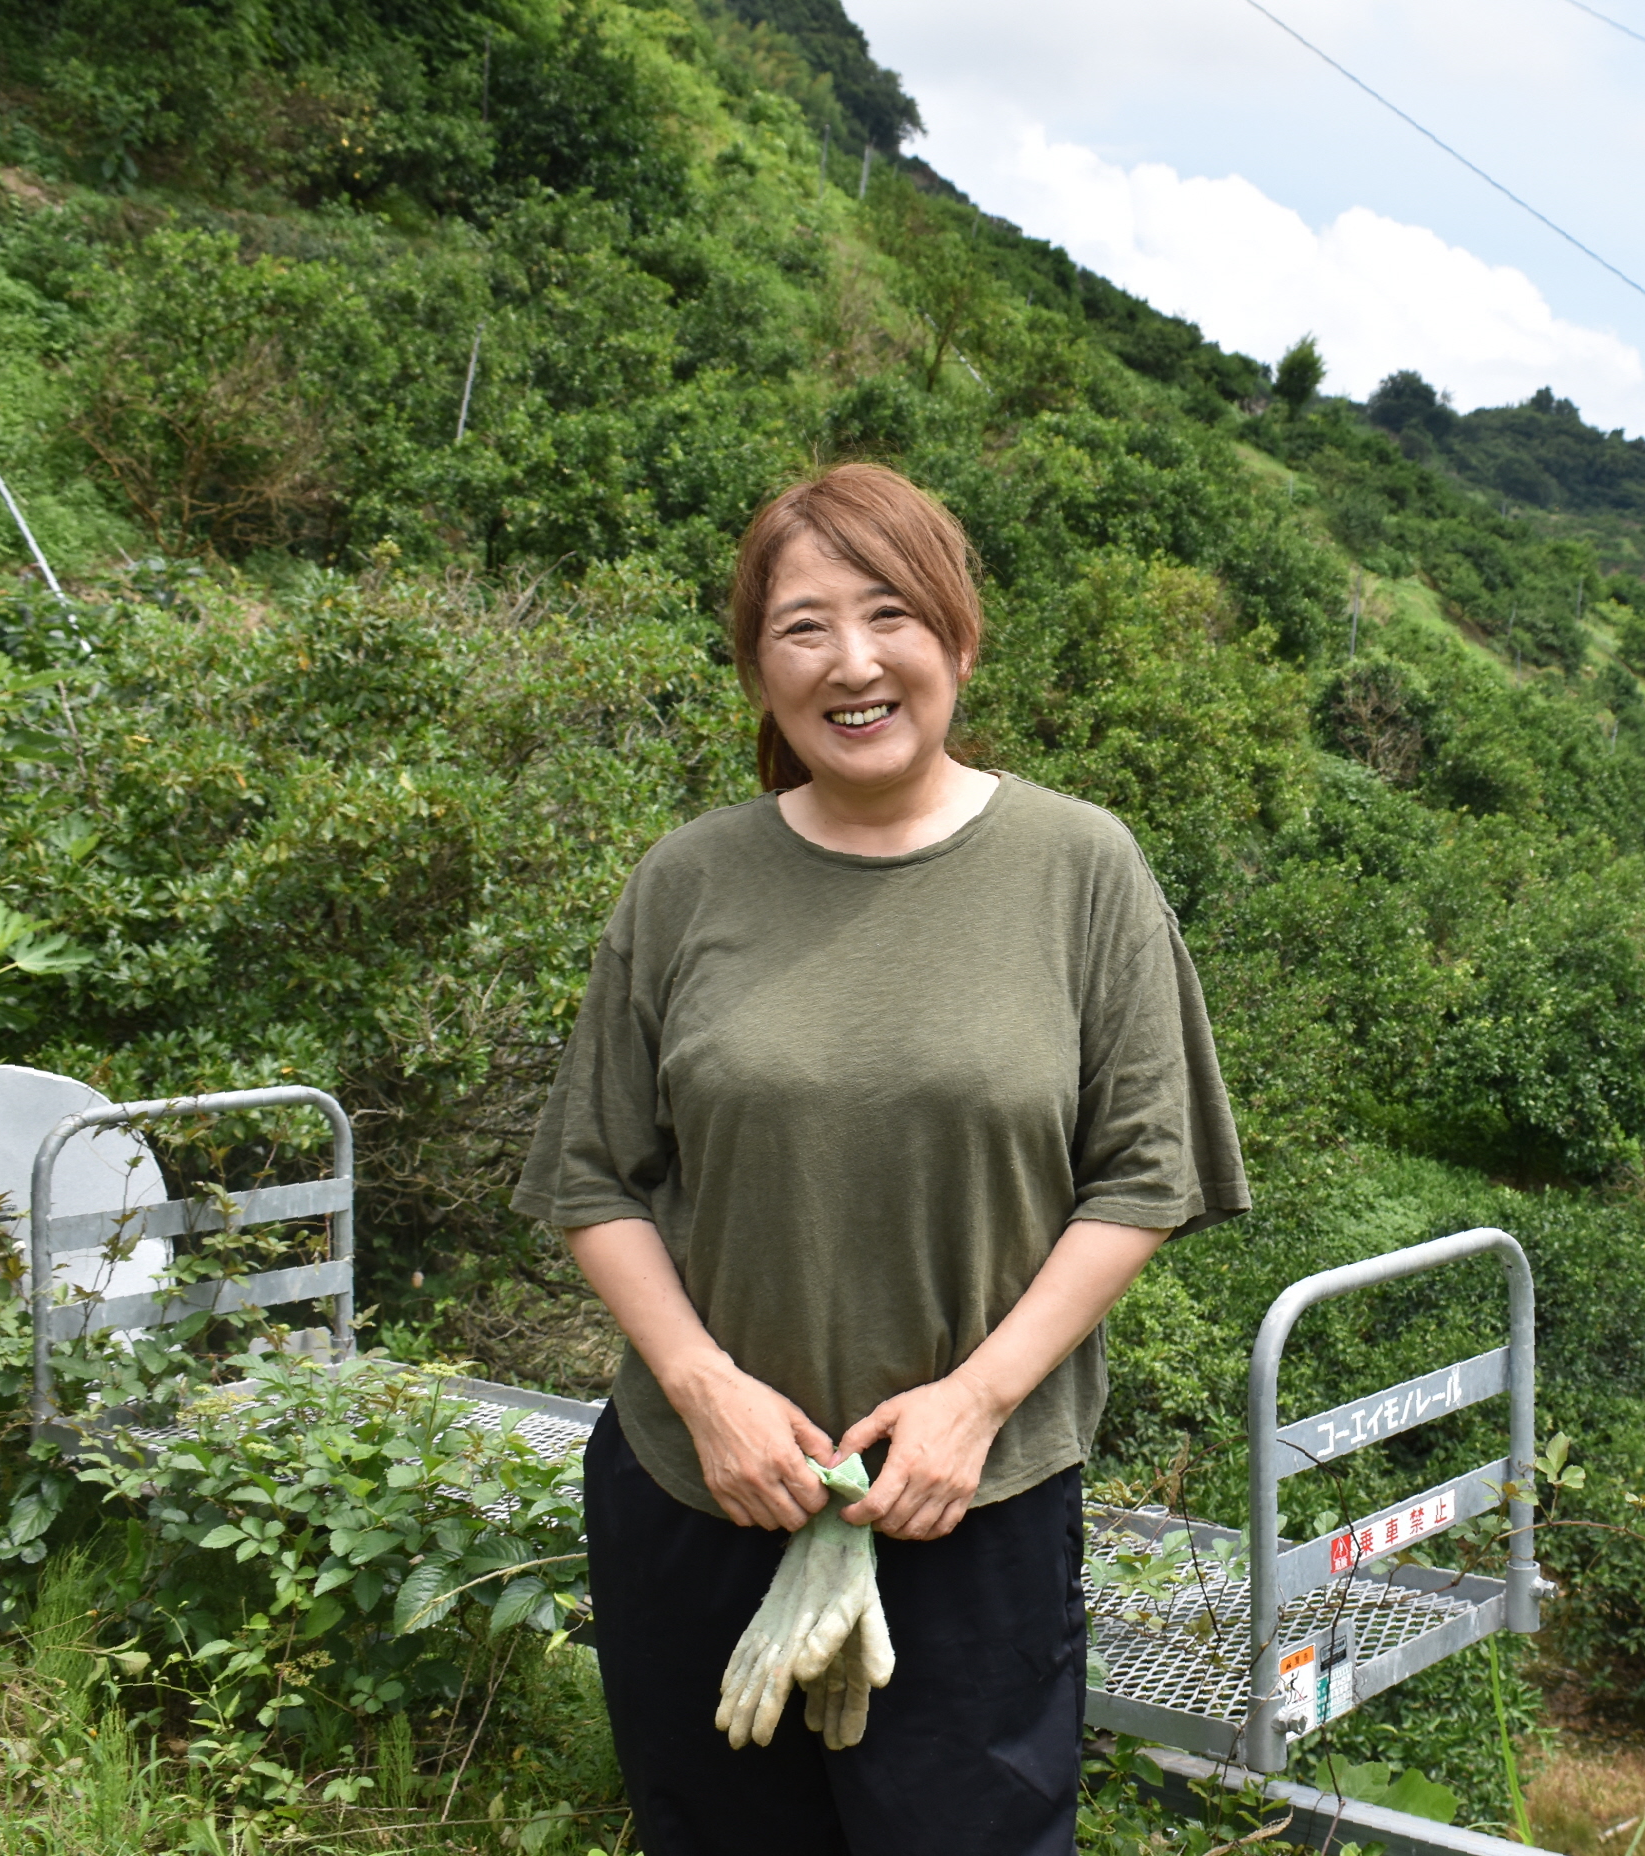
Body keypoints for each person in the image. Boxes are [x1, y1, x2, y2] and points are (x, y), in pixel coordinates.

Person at [514, 461, 1248, 1856]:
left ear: (959, 639)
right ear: (757, 671)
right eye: (802, 627)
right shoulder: (688, 882)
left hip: (970, 1507)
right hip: (702, 1489)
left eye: (890, 613)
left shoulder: (1081, 867)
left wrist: (973, 1403)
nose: (851, 662)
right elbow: (596, 1173)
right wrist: (706, 1390)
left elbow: (1146, 1173)